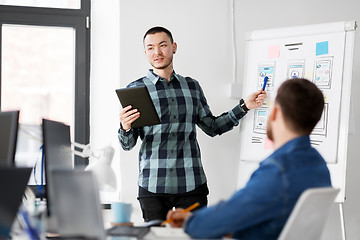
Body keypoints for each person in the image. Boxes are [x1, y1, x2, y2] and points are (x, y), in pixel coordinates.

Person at [118, 26, 267, 222]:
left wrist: (244, 106)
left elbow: (212, 127)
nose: (157, 52)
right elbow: (127, 145)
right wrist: (125, 127)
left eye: (163, 45)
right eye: (151, 48)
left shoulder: (192, 87)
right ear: (145, 52)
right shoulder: (136, 90)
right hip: (152, 184)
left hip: (191, 183)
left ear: (174, 47)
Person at [166, 78, 332, 239]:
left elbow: (227, 215)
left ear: (274, 112)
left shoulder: (278, 170)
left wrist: (193, 221)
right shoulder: (319, 166)